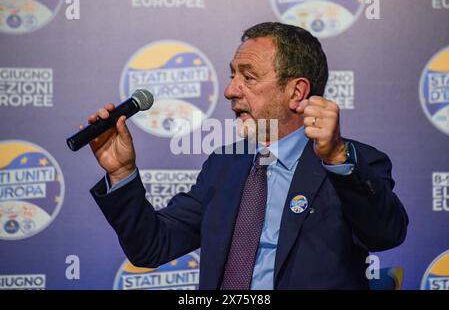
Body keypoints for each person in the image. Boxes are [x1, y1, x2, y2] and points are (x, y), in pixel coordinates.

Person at [88, 22, 408, 289]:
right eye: (232, 76)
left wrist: (337, 157)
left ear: (296, 92)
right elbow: (151, 246)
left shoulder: (349, 163)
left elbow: (386, 234)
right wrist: (121, 173)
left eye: (248, 77)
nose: (230, 91)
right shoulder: (224, 165)